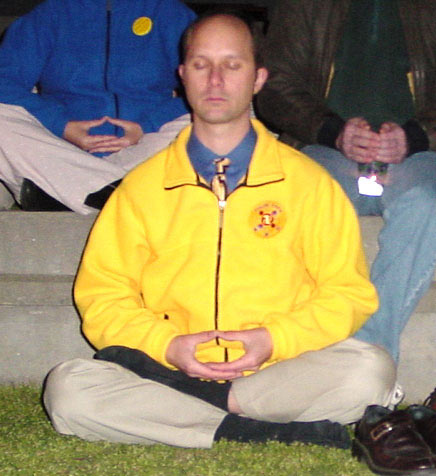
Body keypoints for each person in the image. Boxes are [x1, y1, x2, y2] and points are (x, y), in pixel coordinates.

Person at [43, 11, 400, 453]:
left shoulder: (309, 184)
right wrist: (167, 346)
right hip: (169, 371)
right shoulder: (141, 188)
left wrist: (273, 340)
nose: (215, 80)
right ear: (182, 76)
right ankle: (258, 429)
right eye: (201, 64)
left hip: (278, 370)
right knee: (68, 390)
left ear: (258, 78)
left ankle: (207, 413)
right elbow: (103, 297)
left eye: (232, 65)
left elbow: (347, 293)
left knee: (370, 370)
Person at [255, 0, 436, 366]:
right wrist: (332, 131)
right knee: (302, 203)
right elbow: (274, 85)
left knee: (426, 204)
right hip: (325, 148)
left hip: (416, 153)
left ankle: (367, 352)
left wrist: (415, 136)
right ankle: (298, 339)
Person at [0, 0, 195, 213]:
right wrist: (62, 126)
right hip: (61, 152)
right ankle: (118, 193)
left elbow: (208, 87)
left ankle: (75, 195)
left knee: (204, 120)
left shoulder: (171, 14)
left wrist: (147, 125)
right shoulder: (50, 14)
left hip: (145, 148)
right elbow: (4, 81)